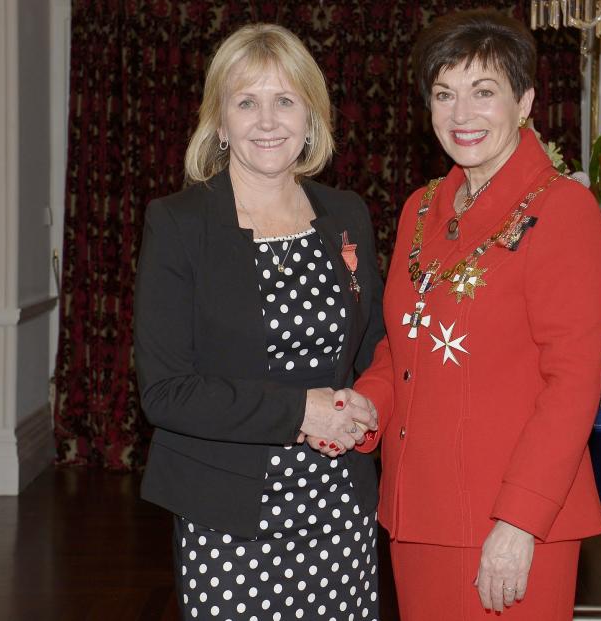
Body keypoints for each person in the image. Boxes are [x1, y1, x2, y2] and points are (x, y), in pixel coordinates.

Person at [346, 10, 601, 620]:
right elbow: (402, 344)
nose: (461, 114)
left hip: (511, 522)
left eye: (483, 92)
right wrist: (362, 407)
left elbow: (571, 384)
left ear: (525, 102)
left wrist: (518, 522)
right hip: (419, 509)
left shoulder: (562, 209)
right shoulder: (422, 207)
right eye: (444, 93)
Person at [133, 24, 384, 621]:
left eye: (285, 100)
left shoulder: (346, 213)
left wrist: (364, 412)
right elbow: (165, 392)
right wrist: (302, 412)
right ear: (220, 123)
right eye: (247, 101)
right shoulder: (178, 224)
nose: (267, 120)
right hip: (229, 515)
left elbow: (375, 348)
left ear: (311, 117)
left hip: (340, 505)